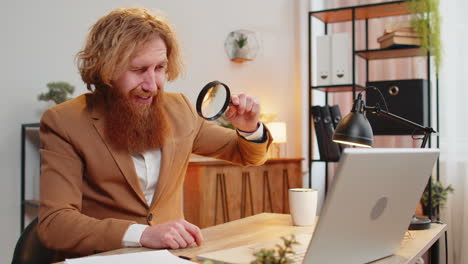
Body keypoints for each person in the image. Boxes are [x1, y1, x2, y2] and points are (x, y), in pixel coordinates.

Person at [37, 7, 271, 259]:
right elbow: (55, 225)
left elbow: (247, 155)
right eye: (138, 70)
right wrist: (142, 234)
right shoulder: (64, 121)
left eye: (160, 68)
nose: (152, 85)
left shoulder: (179, 109)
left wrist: (248, 128)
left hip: (172, 257)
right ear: (105, 69)